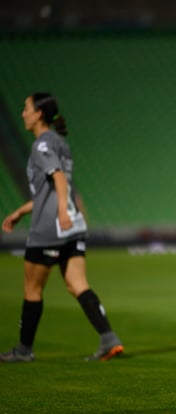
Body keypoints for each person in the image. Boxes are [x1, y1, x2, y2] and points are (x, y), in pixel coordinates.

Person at [1, 93, 124, 363]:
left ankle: (23, 350)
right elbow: (52, 188)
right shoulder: (60, 143)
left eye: (27, 108)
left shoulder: (42, 146)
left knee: (32, 290)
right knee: (78, 284)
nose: (23, 113)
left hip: (50, 228)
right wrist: (23, 210)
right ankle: (108, 339)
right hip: (72, 228)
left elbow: (57, 179)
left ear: (39, 115)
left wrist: (60, 214)